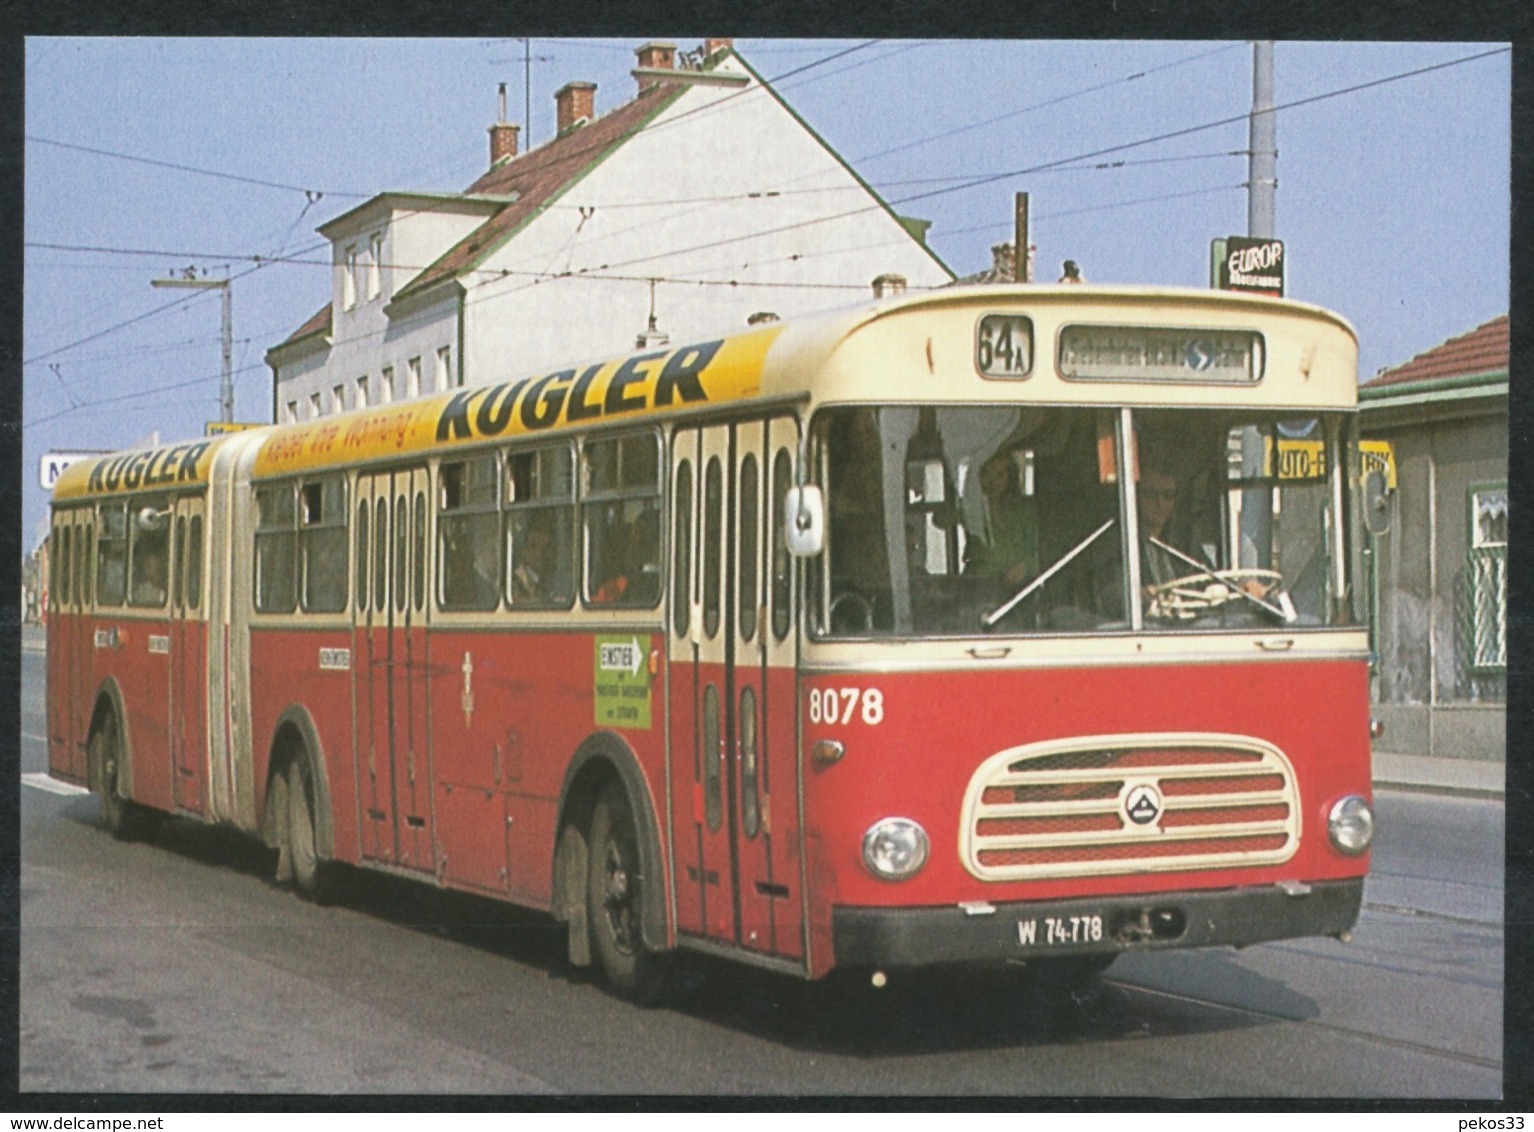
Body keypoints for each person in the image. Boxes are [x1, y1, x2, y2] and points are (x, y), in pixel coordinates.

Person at [965, 450, 1039, 590]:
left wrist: (1025, 567)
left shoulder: (1024, 508)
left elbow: (1039, 550)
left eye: (1000, 475)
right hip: (979, 587)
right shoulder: (969, 507)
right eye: (987, 474)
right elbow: (940, 518)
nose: (994, 482)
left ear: (1010, 476)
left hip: (1021, 589)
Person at [511, 518, 557, 604]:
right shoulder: (515, 582)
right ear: (524, 550)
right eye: (533, 546)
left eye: (546, 547)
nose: (540, 553)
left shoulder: (546, 581)